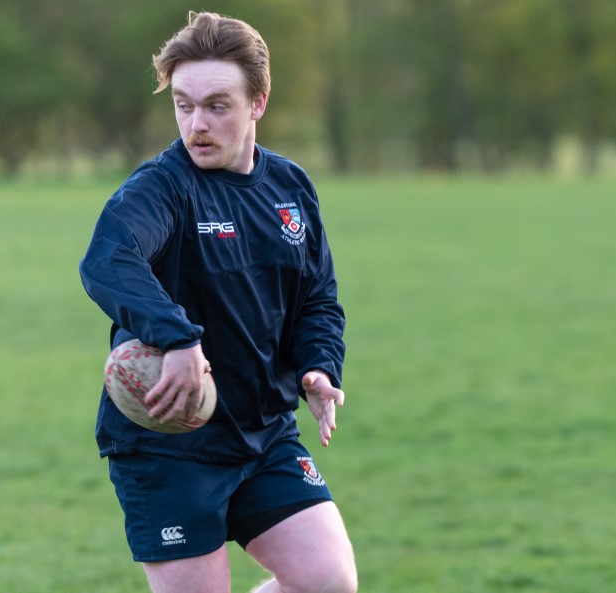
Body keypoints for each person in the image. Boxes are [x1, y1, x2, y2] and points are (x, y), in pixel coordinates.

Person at [79, 12, 356, 593]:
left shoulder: (289, 187)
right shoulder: (163, 187)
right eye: (183, 105)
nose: (196, 125)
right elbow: (108, 258)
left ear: (258, 102)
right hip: (169, 443)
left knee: (327, 582)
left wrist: (318, 366)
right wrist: (178, 336)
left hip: (264, 432)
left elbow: (317, 300)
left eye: (216, 106)